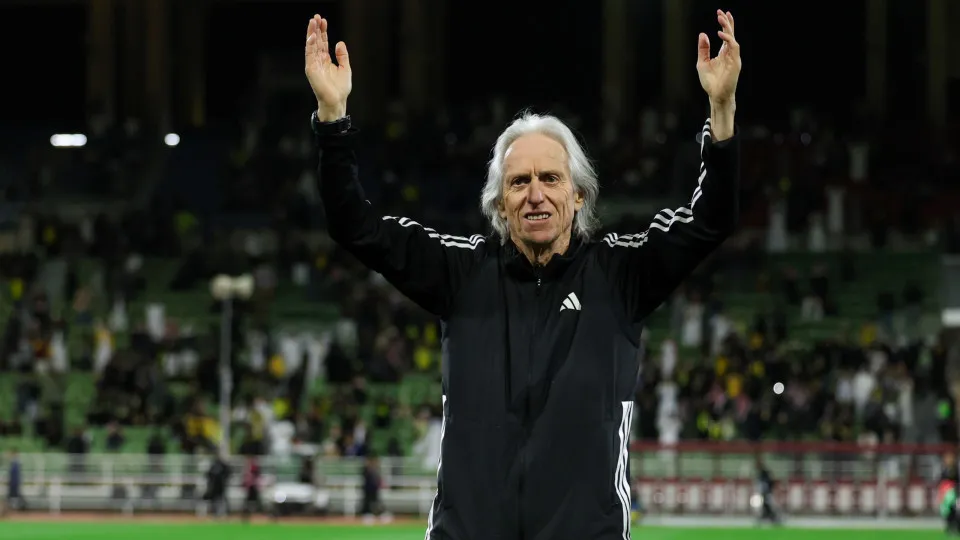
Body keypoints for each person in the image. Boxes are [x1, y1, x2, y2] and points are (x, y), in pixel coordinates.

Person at [304, 8, 741, 539]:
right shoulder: (461, 272)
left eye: (551, 179)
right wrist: (333, 117)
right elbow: (355, 226)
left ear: (578, 196)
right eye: (519, 182)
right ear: (499, 204)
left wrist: (721, 109)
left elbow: (710, 221)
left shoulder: (620, 273)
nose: (535, 194)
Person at [754, 455, 782, 526]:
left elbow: (770, 482)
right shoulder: (761, 473)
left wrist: (768, 490)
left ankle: (773, 518)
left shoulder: (765, 473)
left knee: (768, 505)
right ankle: (770, 518)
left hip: (767, 492)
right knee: (765, 506)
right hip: (765, 492)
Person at [940, 451, 960, 534]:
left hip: (954, 492)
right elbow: (941, 481)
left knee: (955, 510)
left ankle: (957, 528)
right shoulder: (944, 469)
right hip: (946, 493)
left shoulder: (955, 470)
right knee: (946, 511)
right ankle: (949, 527)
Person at [241, 455, 262, 522]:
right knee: (249, 501)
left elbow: (255, 476)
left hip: (253, 486)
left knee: (254, 500)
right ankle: (247, 514)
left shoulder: (254, 467)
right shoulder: (248, 468)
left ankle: (256, 513)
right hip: (250, 486)